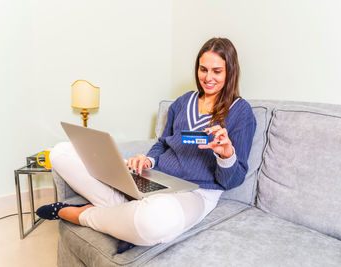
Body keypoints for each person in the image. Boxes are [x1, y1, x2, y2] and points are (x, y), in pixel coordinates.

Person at [36, 37, 256, 250]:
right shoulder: (182, 102)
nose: (208, 77)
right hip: (156, 178)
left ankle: (79, 214)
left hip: (196, 193)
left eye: (217, 71)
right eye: (203, 69)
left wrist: (226, 155)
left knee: (155, 221)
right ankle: (126, 214)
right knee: (60, 153)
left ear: (230, 72)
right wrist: (148, 160)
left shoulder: (241, 112)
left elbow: (231, 181)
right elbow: (162, 144)